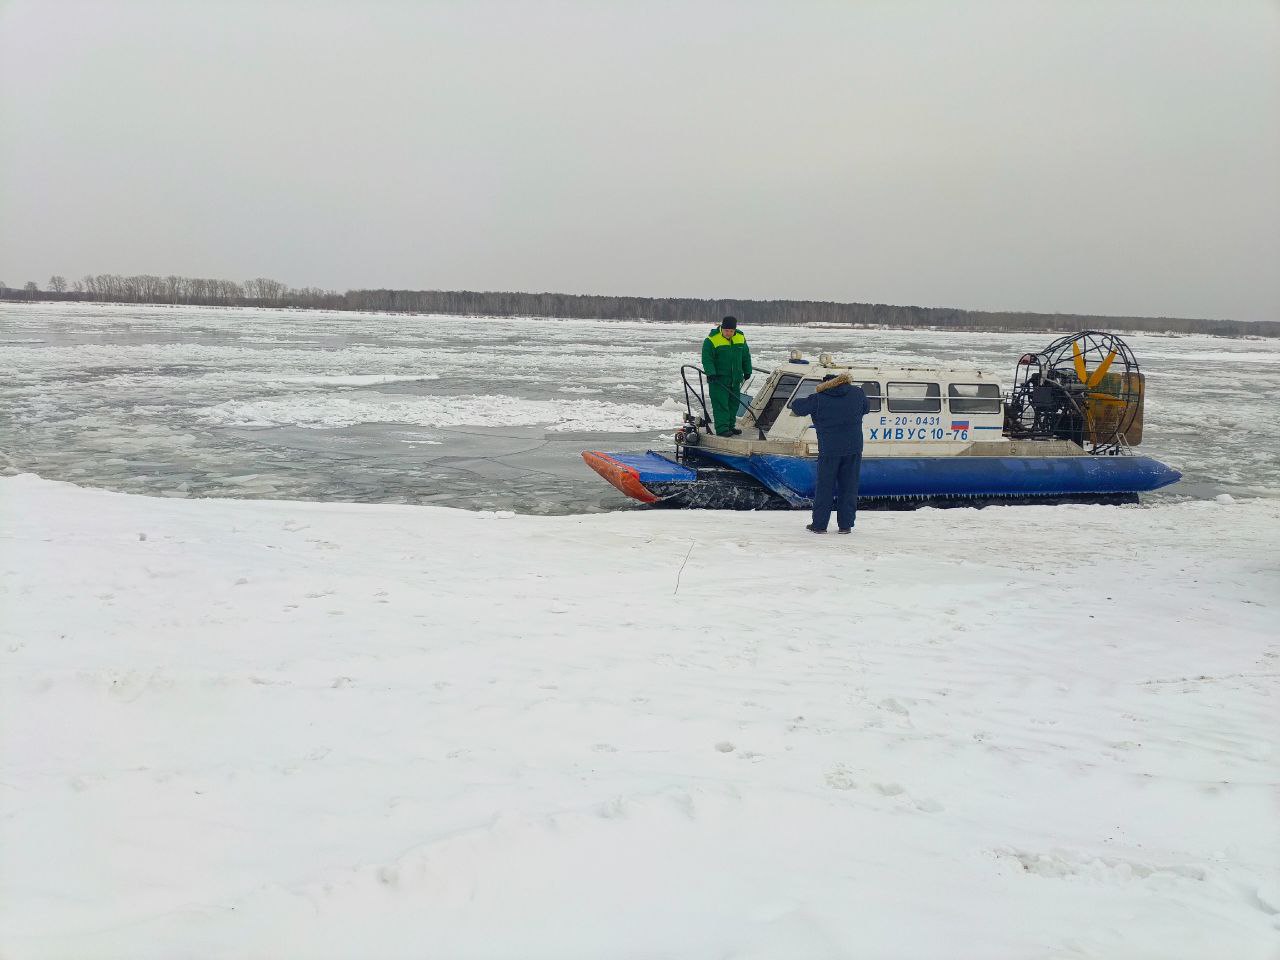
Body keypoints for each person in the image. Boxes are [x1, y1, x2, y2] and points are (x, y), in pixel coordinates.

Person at [789, 372, 870, 534]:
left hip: (829, 450)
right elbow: (866, 408)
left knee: (825, 487)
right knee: (849, 487)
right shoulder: (857, 393)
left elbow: (797, 407)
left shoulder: (818, 398)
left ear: (825, 384)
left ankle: (819, 526)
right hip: (853, 448)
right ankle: (845, 526)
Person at [700, 316, 752, 436]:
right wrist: (711, 373)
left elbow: (745, 356)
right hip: (718, 379)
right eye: (726, 330)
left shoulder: (740, 337)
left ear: (735, 330)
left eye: (731, 331)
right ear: (722, 328)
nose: (728, 333)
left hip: (735, 378)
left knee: (733, 404)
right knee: (721, 404)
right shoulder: (712, 339)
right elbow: (707, 359)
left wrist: (747, 370)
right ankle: (722, 429)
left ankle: (730, 426)